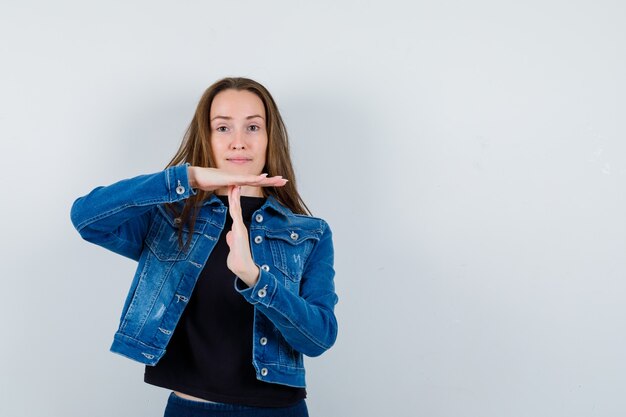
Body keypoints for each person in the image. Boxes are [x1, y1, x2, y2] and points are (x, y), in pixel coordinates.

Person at [70, 77, 338, 417]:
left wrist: (255, 278)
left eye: (253, 127)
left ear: (270, 138)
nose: (238, 142)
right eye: (223, 128)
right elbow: (87, 218)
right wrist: (188, 179)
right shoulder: (171, 222)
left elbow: (318, 337)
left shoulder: (309, 233)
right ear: (207, 138)